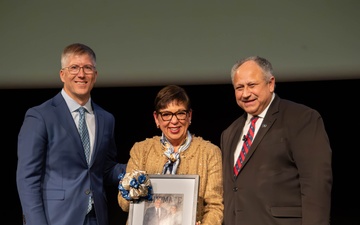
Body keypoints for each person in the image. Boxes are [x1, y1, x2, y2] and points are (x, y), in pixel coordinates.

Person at [16, 43, 126, 225]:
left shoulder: (106, 119)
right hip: (56, 219)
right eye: (74, 67)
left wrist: (140, 166)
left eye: (88, 68)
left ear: (95, 75)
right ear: (62, 74)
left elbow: (105, 169)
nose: (81, 74)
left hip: (96, 218)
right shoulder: (40, 116)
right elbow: (27, 177)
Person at [220, 56, 332, 225]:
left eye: (251, 85)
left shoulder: (301, 118)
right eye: (239, 87)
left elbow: (316, 184)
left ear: (271, 83)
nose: (245, 94)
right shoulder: (230, 132)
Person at [118, 85, 223, 225]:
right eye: (166, 114)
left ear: (189, 115)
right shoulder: (141, 150)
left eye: (180, 113)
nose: (174, 121)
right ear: (157, 118)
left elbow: (215, 207)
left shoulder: (209, 152)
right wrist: (132, 190)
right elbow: (124, 204)